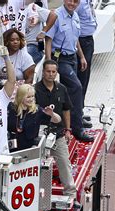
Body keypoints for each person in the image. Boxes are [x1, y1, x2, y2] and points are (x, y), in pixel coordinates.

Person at [44, 0, 93, 142]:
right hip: (60, 59)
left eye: (75, 1)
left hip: (73, 57)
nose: (72, 3)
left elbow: (75, 38)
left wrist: (82, 57)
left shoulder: (75, 16)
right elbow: (48, 40)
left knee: (70, 92)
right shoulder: (56, 16)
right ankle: (78, 129)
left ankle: (69, 123)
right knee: (76, 87)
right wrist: (49, 63)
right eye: (70, 0)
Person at [35, 60, 78, 199]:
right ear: (43, 72)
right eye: (48, 71)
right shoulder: (35, 89)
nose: (51, 74)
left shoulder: (62, 89)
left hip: (58, 134)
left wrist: (67, 129)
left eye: (54, 72)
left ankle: (71, 195)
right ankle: (37, 196)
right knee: (38, 167)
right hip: (40, 136)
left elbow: (66, 110)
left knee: (65, 163)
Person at [7, 84, 61, 151]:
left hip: (29, 149)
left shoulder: (37, 110)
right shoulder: (11, 108)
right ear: (20, 97)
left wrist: (52, 114)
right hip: (11, 147)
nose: (31, 99)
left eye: (32, 96)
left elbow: (58, 120)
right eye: (28, 97)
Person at [76, 0, 97, 104]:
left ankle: (81, 106)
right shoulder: (78, 3)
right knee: (82, 76)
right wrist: (81, 55)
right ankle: (78, 108)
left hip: (88, 40)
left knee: (86, 76)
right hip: (81, 41)